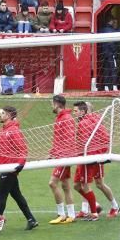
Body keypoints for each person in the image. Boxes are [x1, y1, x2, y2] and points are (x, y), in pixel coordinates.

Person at [0, 106, 38, 231]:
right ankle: (31, 219)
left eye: (3, 113)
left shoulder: (13, 130)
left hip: (10, 168)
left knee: (1, 195)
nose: (0, 115)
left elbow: (22, 148)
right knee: (17, 195)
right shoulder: (3, 130)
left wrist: (20, 164)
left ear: (9, 115)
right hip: (5, 167)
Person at [73, 101, 120, 219]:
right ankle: (87, 209)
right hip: (88, 156)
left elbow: (99, 138)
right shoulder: (91, 120)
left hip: (92, 157)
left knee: (96, 184)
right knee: (81, 184)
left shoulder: (90, 121)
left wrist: (99, 154)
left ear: (86, 111)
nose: (75, 113)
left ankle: (113, 207)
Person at [47, 95, 78, 225]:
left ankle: (61, 214)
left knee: (52, 183)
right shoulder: (60, 118)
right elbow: (58, 139)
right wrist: (52, 153)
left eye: (52, 103)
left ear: (57, 104)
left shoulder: (66, 119)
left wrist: (61, 155)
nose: (51, 106)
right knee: (65, 186)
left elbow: (69, 140)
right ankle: (71, 215)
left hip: (65, 157)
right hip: (61, 156)